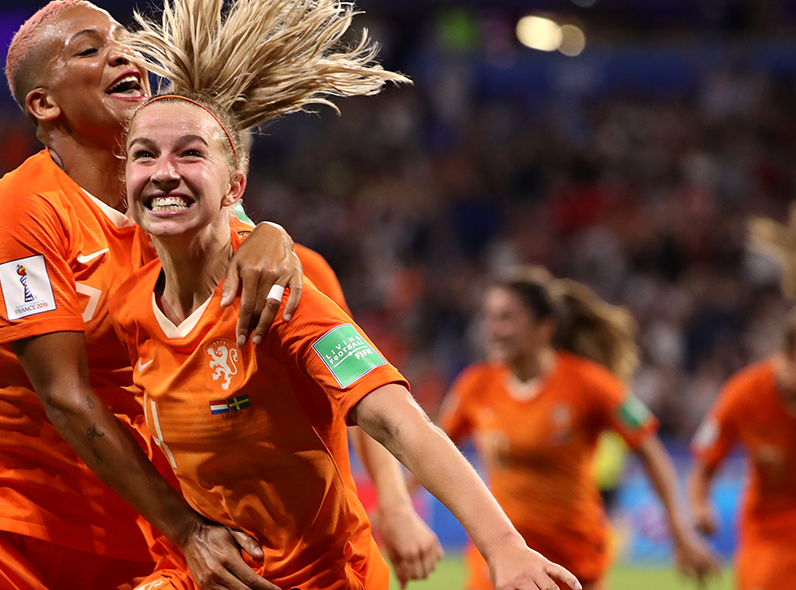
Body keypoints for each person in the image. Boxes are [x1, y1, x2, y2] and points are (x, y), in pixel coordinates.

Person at [99, 0, 582, 587]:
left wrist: (503, 546)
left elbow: (396, 421)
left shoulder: (282, 289)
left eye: (191, 153)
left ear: (236, 186)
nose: (163, 171)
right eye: (144, 154)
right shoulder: (126, 303)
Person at [0, 1, 307, 589]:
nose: (121, 52)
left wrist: (275, 236)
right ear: (44, 104)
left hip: (135, 534)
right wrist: (187, 531)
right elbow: (65, 396)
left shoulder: (171, 205)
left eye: (122, 40)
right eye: (89, 49)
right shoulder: (21, 213)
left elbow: (243, 249)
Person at [439, 267, 720, 590]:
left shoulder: (589, 383)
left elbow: (650, 449)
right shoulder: (475, 385)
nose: (492, 330)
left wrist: (681, 532)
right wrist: (398, 506)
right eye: (489, 317)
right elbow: (431, 447)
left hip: (573, 561)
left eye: (505, 318)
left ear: (544, 328)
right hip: (499, 559)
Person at [233, 205, 446, 585]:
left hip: (313, 561)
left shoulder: (301, 272)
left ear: (234, 180)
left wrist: (395, 504)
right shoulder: (131, 278)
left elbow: (360, 395)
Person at [689, 202, 796, 590]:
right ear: (787, 354)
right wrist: (699, 506)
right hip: (770, 531)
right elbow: (705, 462)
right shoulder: (745, 393)